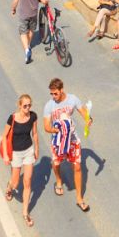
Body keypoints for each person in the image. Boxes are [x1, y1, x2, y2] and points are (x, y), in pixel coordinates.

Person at [42, 78, 92, 212]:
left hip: (73, 139)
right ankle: (58, 181)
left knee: (77, 167)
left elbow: (83, 112)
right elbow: (46, 126)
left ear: (61, 90)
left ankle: (79, 199)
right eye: (51, 94)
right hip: (58, 140)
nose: (53, 97)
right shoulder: (49, 106)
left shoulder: (72, 99)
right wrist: (55, 130)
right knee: (56, 163)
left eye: (55, 94)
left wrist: (88, 120)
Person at [3, 95, 39, 226]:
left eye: (29, 105)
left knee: (28, 181)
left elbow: (34, 133)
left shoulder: (33, 116)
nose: (28, 108)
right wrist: (6, 156)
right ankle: (9, 188)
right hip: (16, 154)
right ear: (19, 105)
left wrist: (36, 149)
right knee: (15, 182)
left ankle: (25, 212)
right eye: (25, 106)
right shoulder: (12, 118)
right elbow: (4, 137)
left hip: (28, 151)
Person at [12, 0, 45, 64]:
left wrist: (13, 9)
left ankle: (27, 50)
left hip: (23, 14)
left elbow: (15, 1)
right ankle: (29, 45)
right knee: (31, 30)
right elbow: (42, 0)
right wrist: (46, 1)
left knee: (23, 32)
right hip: (33, 14)